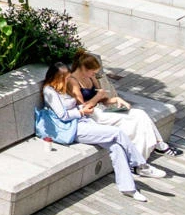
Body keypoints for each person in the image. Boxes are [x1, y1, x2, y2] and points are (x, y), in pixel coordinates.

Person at [43, 63, 168, 202]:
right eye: (65, 77)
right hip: (74, 128)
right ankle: (141, 165)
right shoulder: (49, 91)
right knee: (117, 133)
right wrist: (82, 111)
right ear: (56, 77)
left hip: (84, 121)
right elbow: (63, 116)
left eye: (68, 76)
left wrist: (83, 109)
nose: (68, 79)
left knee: (116, 147)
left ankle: (128, 188)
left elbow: (76, 105)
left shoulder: (63, 88)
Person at [71, 52, 183, 158]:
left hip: (102, 110)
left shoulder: (91, 77)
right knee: (133, 122)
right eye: (93, 72)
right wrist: (98, 96)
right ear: (84, 69)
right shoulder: (73, 82)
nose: (94, 75)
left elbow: (103, 100)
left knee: (140, 114)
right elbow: (84, 108)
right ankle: (145, 154)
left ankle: (158, 146)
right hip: (92, 116)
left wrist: (116, 99)